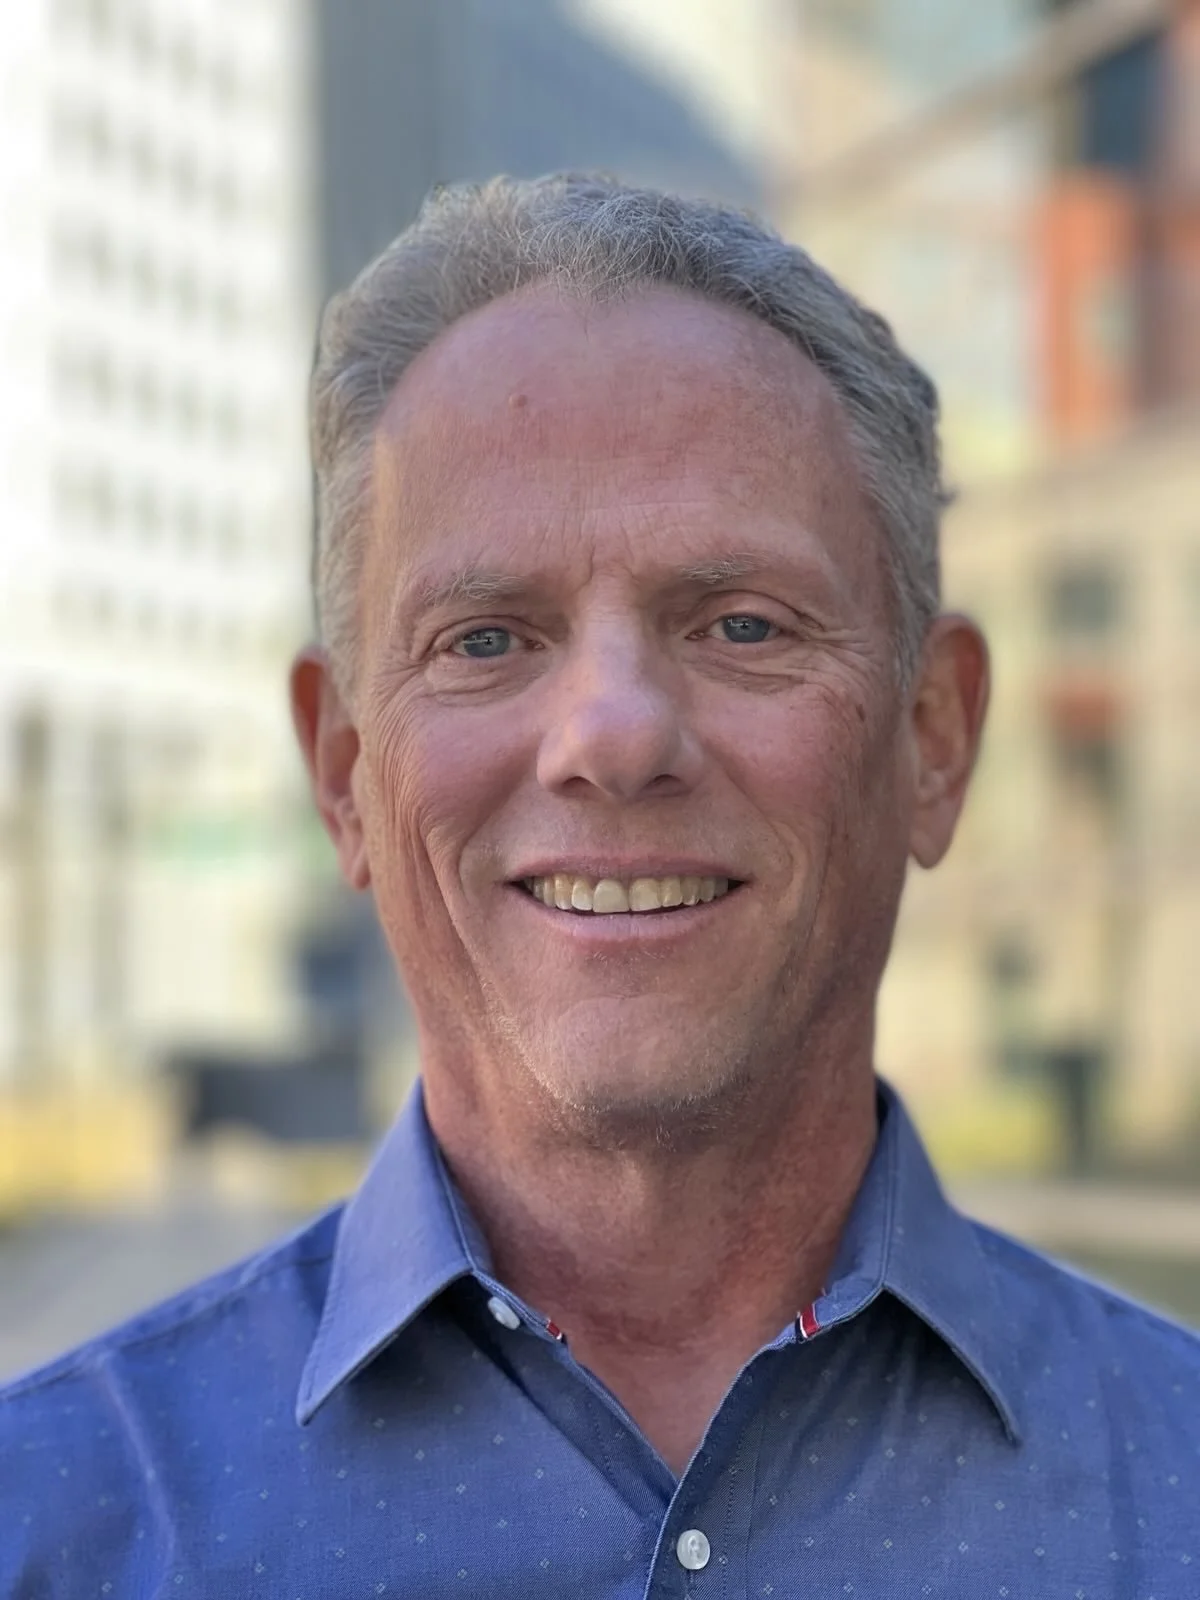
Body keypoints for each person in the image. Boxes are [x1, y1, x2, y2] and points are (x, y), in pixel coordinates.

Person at [2, 173, 1197, 1598]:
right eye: (489, 639)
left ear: (933, 739)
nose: (614, 737)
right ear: (343, 775)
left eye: (743, 621)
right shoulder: (51, 1530)